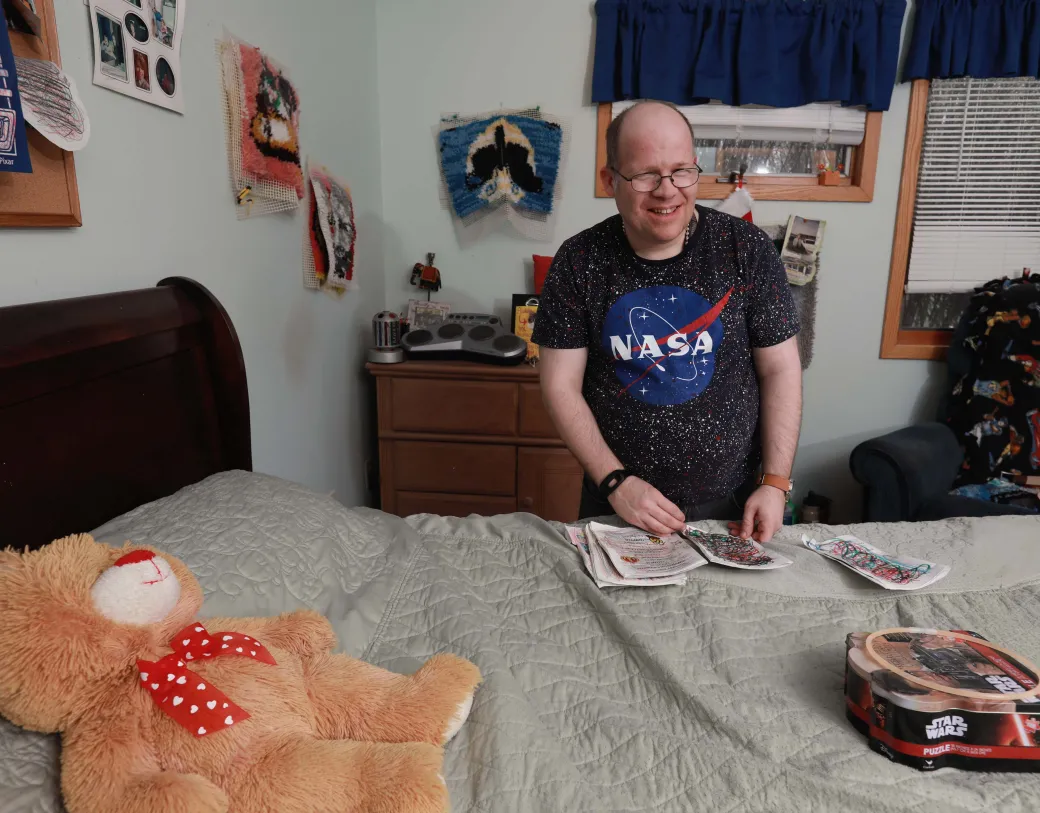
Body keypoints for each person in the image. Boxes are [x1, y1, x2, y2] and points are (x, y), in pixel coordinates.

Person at [531, 100, 802, 542]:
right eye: (645, 175)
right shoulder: (578, 261)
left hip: (736, 499)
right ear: (610, 180)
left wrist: (775, 483)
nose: (667, 190)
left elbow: (781, 369)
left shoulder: (747, 250)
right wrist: (615, 482)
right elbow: (559, 386)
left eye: (681, 170)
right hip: (619, 498)